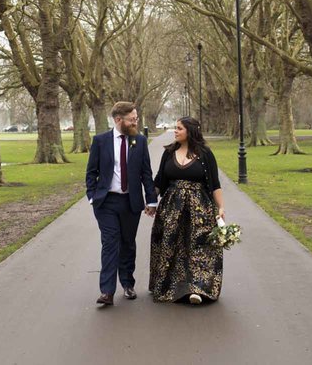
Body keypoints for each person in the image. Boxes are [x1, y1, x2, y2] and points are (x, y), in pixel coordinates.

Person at [85, 101, 158, 306]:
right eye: (132, 119)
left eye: (136, 118)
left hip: (130, 202)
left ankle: (128, 284)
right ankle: (107, 291)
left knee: (127, 242)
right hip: (106, 202)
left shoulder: (140, 141)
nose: (135, 122)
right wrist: (92, 196)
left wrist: (151, 200)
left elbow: (146, 172)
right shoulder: (100, 141)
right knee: (110, 243)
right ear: (118, 120)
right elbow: (91, 172)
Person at [149, 116, 225, 304]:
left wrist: (221, 207)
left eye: (179, 128)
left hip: (200, 209)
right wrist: (150, 200)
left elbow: (214, 184)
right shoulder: (169, 152)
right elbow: (160, 180)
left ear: (190, 131)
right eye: (176, 128)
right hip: (171, 209)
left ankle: (197, 289)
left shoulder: (205, 153)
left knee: (199, 246)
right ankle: (170, 286)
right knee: (171, 246)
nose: (175, 131)